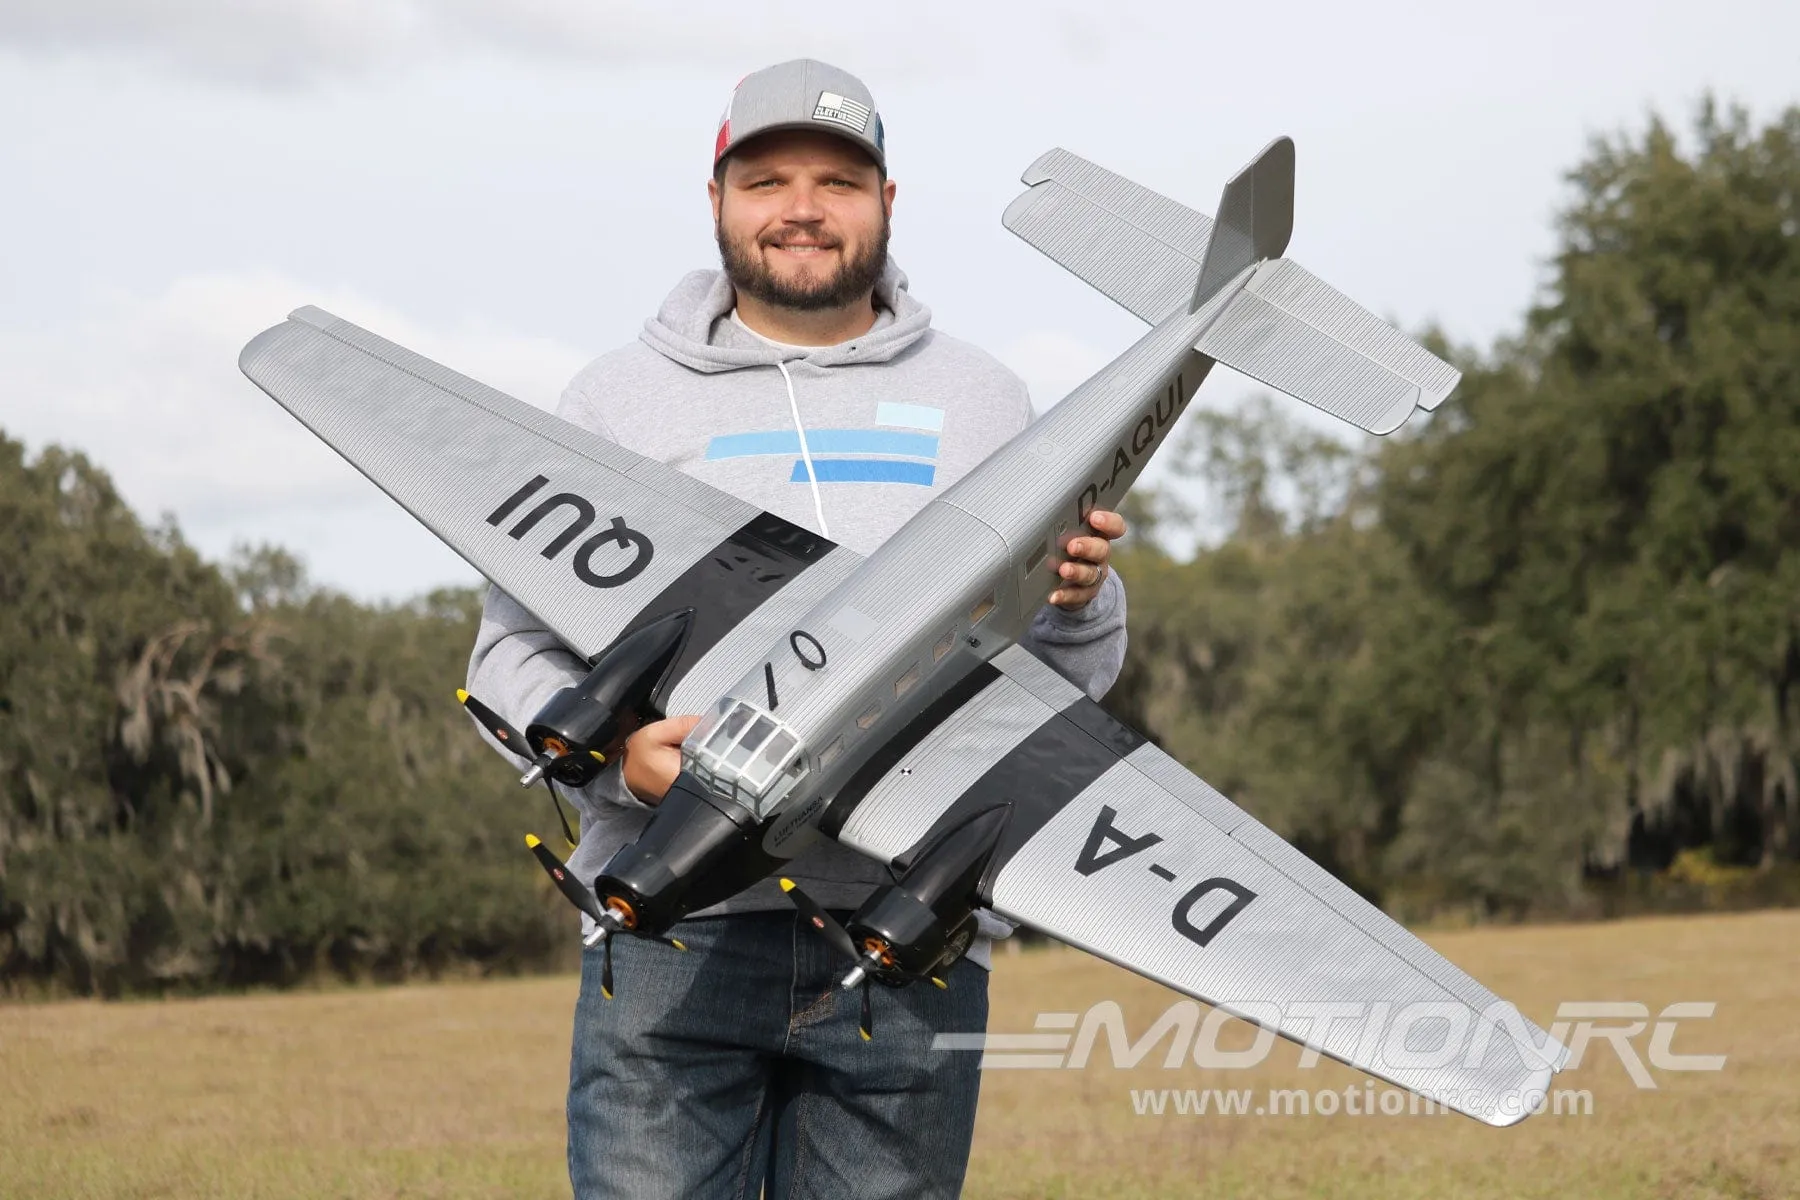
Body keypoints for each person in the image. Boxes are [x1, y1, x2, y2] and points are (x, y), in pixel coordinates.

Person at [467, 59, 1130, 1200]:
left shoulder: (988, 400)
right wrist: (619, 761)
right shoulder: (612, 400)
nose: (803, 208)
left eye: (838, 180)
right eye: (766, 179)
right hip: (674, 927)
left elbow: (1065, 683)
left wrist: (1079, 596)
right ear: (717, 200)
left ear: (888, 202)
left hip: (900, 936)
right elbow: (509, 651)